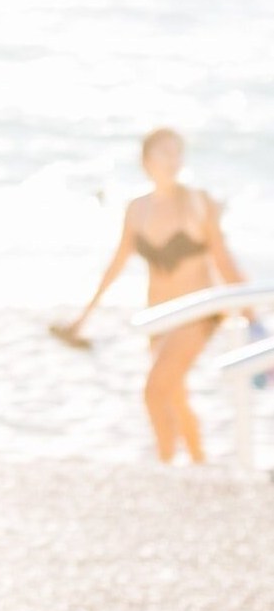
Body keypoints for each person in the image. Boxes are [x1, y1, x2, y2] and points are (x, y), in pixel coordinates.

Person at [54, 128, 248, 463]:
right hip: (157, 315)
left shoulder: (199, 202)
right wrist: (83, 318)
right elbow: (115, 266)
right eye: (164, 153)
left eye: (178, 153)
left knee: (154, 391)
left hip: (198, 312)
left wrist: (253, 315)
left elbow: (224, 260)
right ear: (146, 161)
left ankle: (166, 466)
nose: (173, 161)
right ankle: (200, 464)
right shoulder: (137, 209)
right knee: (174, 394)